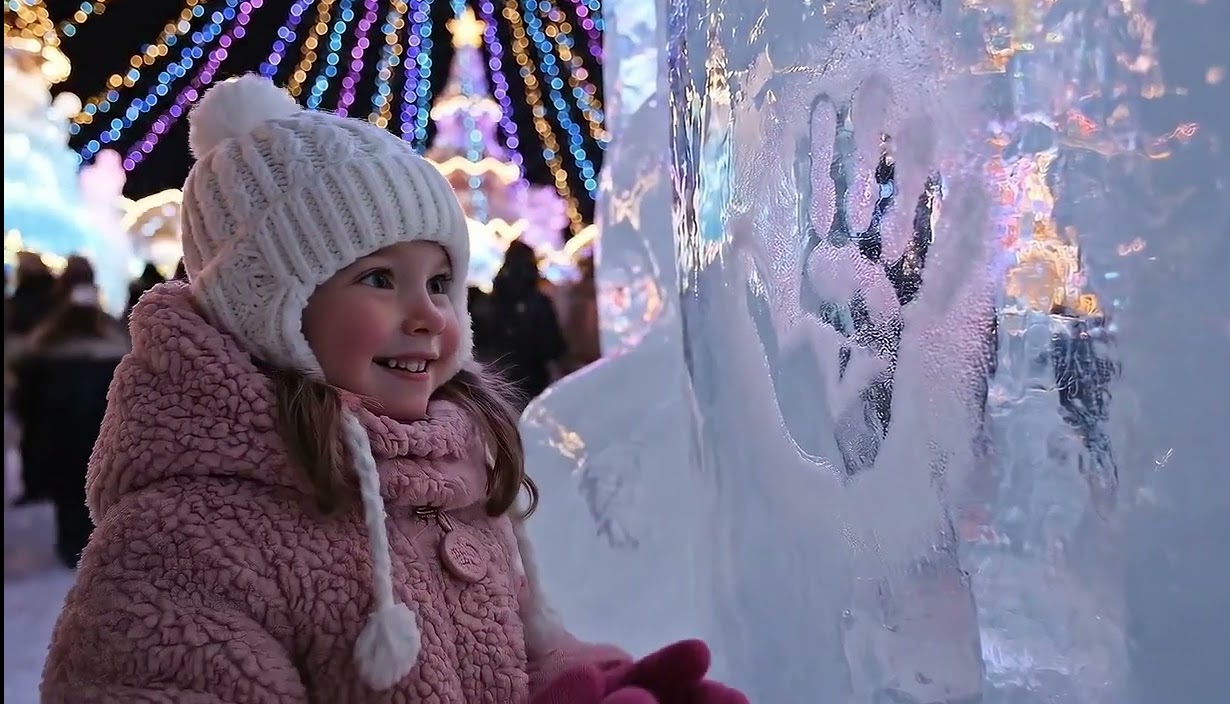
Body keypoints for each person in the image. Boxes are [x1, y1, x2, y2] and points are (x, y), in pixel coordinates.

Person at [40, 75, 744, 704]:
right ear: (270, 308)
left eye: (440, 283)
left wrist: (587, 684)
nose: (428, 314)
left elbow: (510, 656)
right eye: (379, 278)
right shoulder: (187, 540)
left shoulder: (456, 474)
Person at [10, 282, 127, 566]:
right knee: (98, 491)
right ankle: (96, 541)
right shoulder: (114, 353)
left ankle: (70, 545)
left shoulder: (43, 353)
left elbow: (25, 401)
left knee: (68, 495)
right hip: (99, 434)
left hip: (57, 436)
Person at [475, 240, 567, 406]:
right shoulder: (538, 301)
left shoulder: (493, 300)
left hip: (500, 375)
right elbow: (553, 345)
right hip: (533, 377)